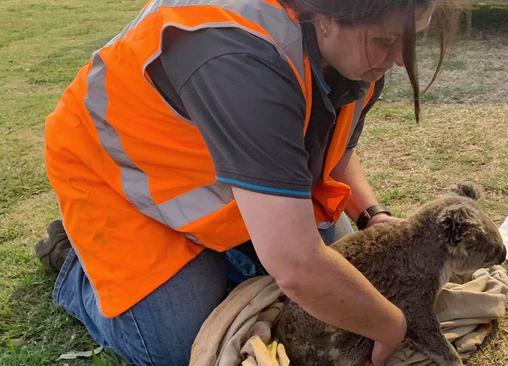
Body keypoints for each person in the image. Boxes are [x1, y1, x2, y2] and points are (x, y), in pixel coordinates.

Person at [38, 0, 461, 364]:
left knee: (348, 282)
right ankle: (77, 263)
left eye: (410, 40)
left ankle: (228, 255)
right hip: (121, 176)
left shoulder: (356, 50)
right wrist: (394, 326)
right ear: (326, 16)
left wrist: (373, 216)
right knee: (178, 345)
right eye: (387, 41)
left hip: (221, 175)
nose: (401, 58)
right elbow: (296, 263)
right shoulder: (240, 57)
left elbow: (336, 153)